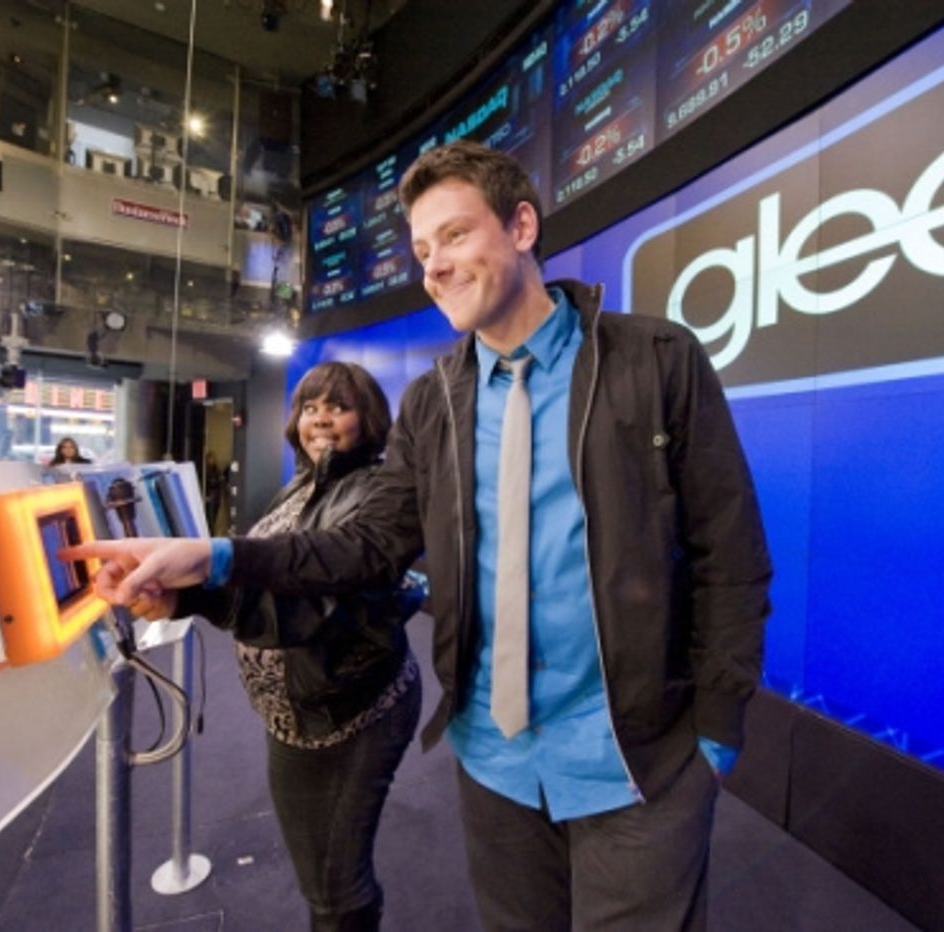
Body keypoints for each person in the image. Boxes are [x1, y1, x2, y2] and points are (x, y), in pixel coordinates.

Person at [64, 140, 771, 930]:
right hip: (495, 761)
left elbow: (731, 556)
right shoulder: (435, 403)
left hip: (638, 759)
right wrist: (212, 560)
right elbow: (363, 547)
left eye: (455, 235)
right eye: (423, 249)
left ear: (522, 226)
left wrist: (717, 727)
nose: (434, 267)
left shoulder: (656, 360)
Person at [148, 362, 424, 932]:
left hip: (348, 716)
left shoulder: (376, 492)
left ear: (368, 418)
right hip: (295, 715)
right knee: (318, 868)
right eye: (310, 408)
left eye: (338, 407)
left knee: (334, 885)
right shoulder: (302, 483)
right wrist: (183, 598)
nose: (319, 420)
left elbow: (315, 608)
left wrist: (204, 584)